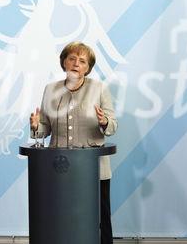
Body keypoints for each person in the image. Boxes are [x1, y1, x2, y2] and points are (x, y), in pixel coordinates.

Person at [29, 41, 117, 244]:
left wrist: (104, 121)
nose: (76, 63)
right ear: (64, 62)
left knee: (99, 216)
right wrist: (35, 127)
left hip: (93, 168)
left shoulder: (99, 89)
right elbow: (45, 128)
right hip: (58, 167)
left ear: (88, 68)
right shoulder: (51, 90)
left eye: (82, 61)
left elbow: (112, 126)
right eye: (72, 58)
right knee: (59, 215)